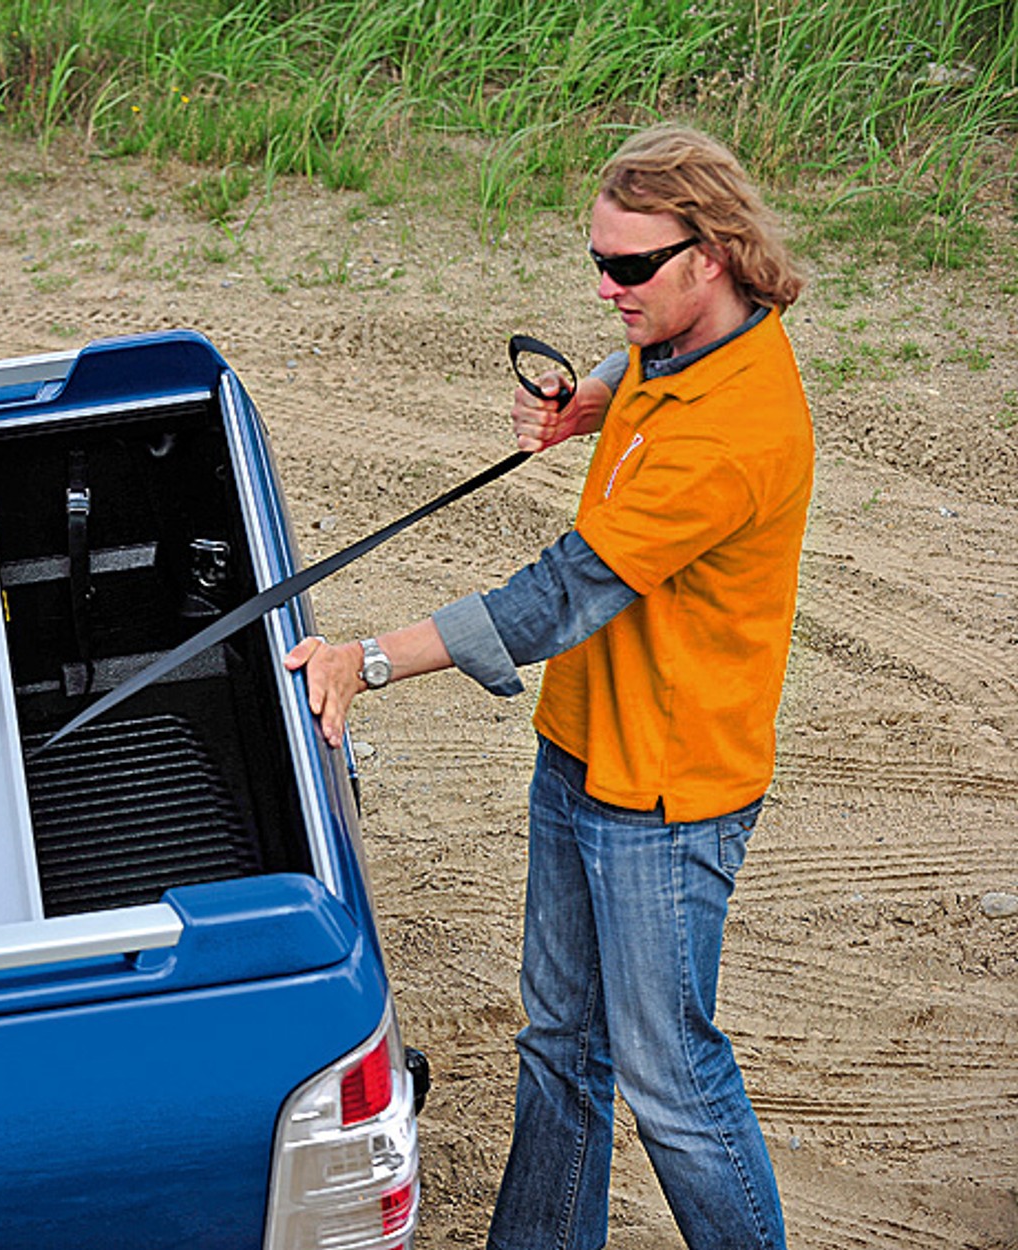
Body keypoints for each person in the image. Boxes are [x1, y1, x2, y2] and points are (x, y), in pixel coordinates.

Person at [285, 124, 810, 1250]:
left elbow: (551, 600)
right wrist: (587, 402)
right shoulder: (689, 346)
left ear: (709, 254)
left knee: (670, 1082)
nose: (607, 288)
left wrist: (362, 660)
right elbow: (647, 368)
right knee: (559, 1045)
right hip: (581, 747)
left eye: (628, 268)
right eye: (596, 262)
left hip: (663, 797)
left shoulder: (730, 434)